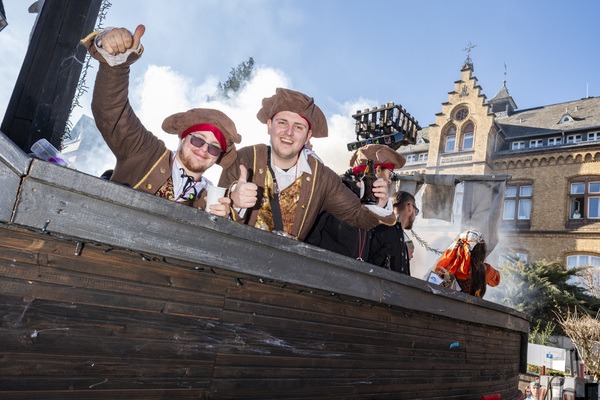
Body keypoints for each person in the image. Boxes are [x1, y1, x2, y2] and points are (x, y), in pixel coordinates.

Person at [81, 24, 248, 217]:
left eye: (213, 148)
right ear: (183, 138)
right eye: (198, 140)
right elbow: (112, 112)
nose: (203, 149)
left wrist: (229, 215)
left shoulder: (213, 199)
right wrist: (116, 64)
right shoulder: (145, 152)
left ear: (218, 156)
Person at [219, 88, 397, 240]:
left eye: (298, 127)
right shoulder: (244, 159)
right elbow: (211, 215)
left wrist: (378, 204)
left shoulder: (322, 178)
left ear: (308, 135)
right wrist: (233, 202)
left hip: (284, 274)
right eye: (282, 122)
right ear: (269, 125)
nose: (289, 132)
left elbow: (358, 216)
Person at [305, 144, 406, 265]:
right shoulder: (337, 190)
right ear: (377, 171)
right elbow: (310, 235)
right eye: (390, 174)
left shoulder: (368, 201)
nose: (390, 180)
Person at [428, 230, 501, 298]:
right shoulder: (485, 269)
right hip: (472, 310)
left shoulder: (448, 266)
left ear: (458, 247)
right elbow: (496, 281)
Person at [368, 190, 418, 275]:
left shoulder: (399, 236)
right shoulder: (384, 229)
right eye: (416, 211)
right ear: (409, 207)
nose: (415, 215)